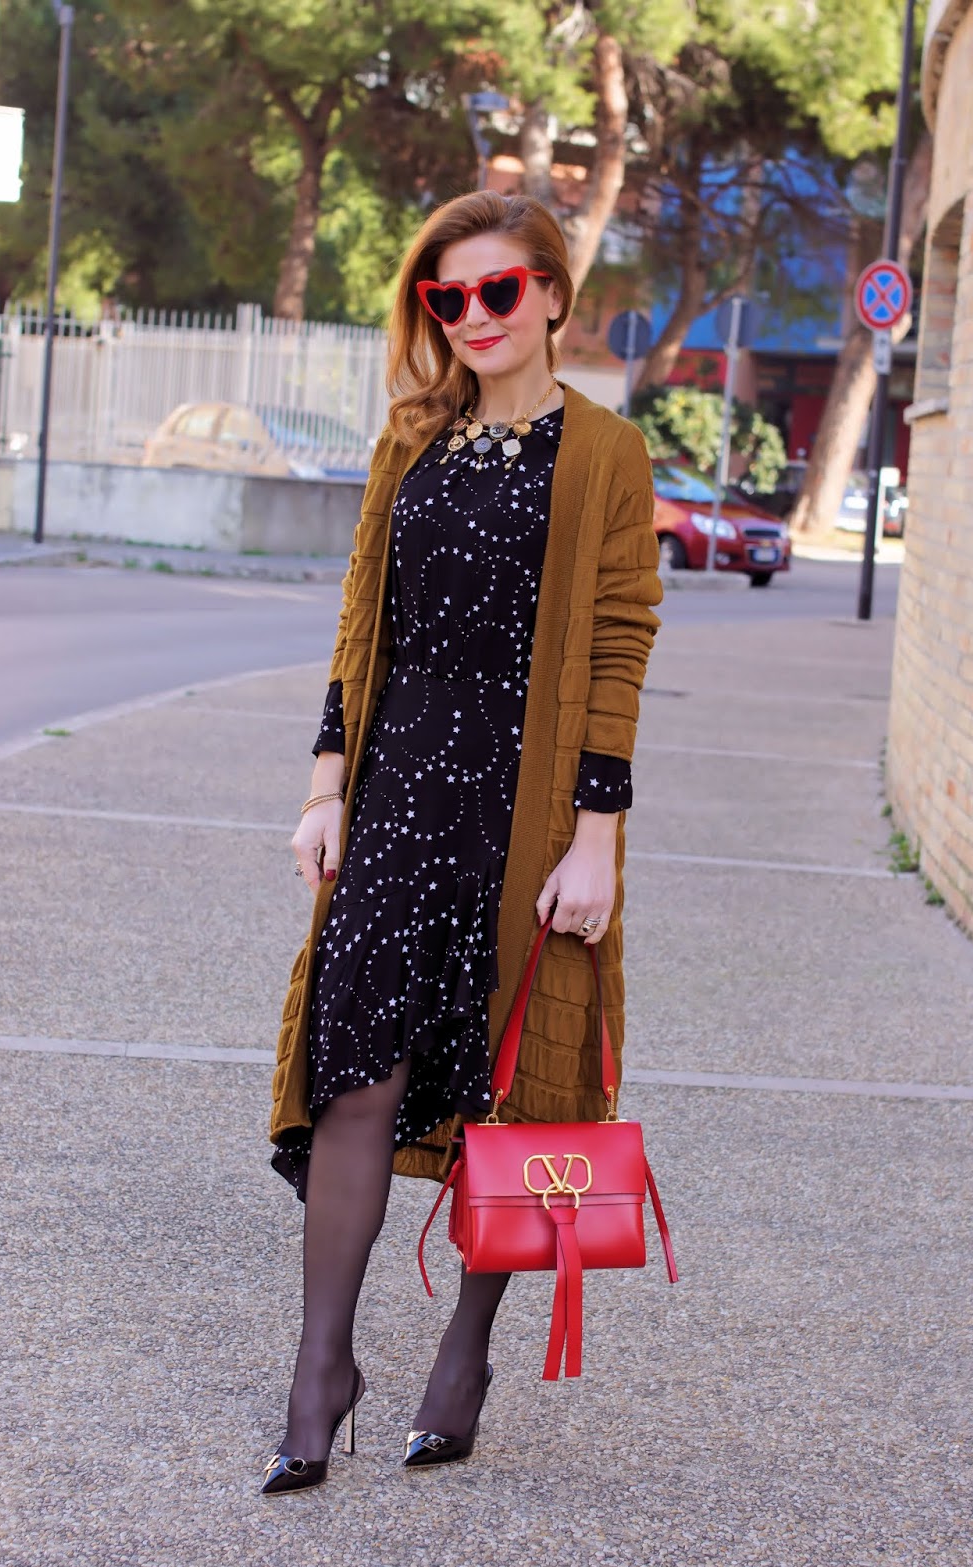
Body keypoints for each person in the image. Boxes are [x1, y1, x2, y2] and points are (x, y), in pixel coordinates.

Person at [263, 190, 663, 1495]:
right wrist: (326, 785)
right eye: (449, 297)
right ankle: (322, 1369)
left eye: (499, 290)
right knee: (357, 1078)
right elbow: (356, 623)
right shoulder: (409, 443)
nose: (474, 316)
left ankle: (467, 1352)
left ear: (552, 293)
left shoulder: (604, 454)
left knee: (518, 1093)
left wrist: (594, 834)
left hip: (526, 810)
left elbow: (617, 643)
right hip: (395, 809)